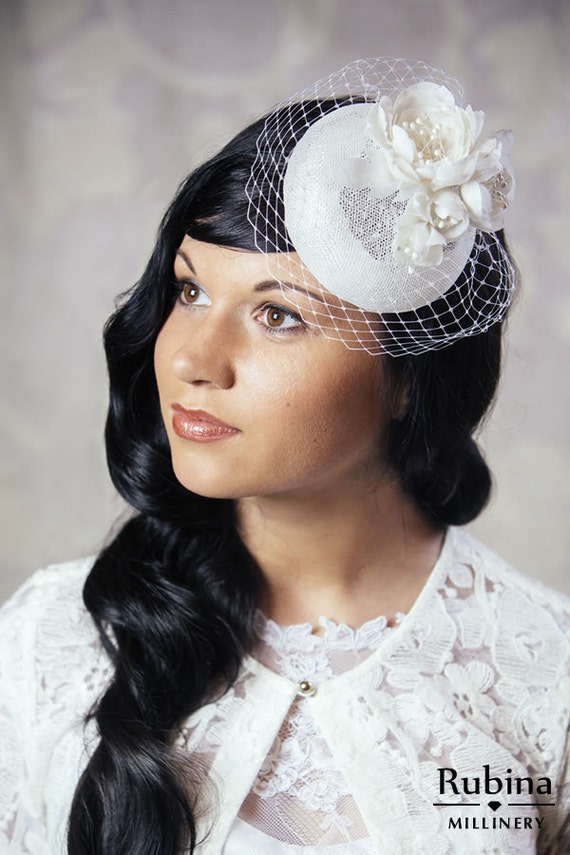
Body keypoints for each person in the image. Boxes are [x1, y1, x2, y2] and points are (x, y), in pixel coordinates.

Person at [0, 58, 568, 855]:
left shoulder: (548, 676)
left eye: (277, 314)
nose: (194, 357)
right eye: (190, 290)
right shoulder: (50, 639)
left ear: (408, 376)